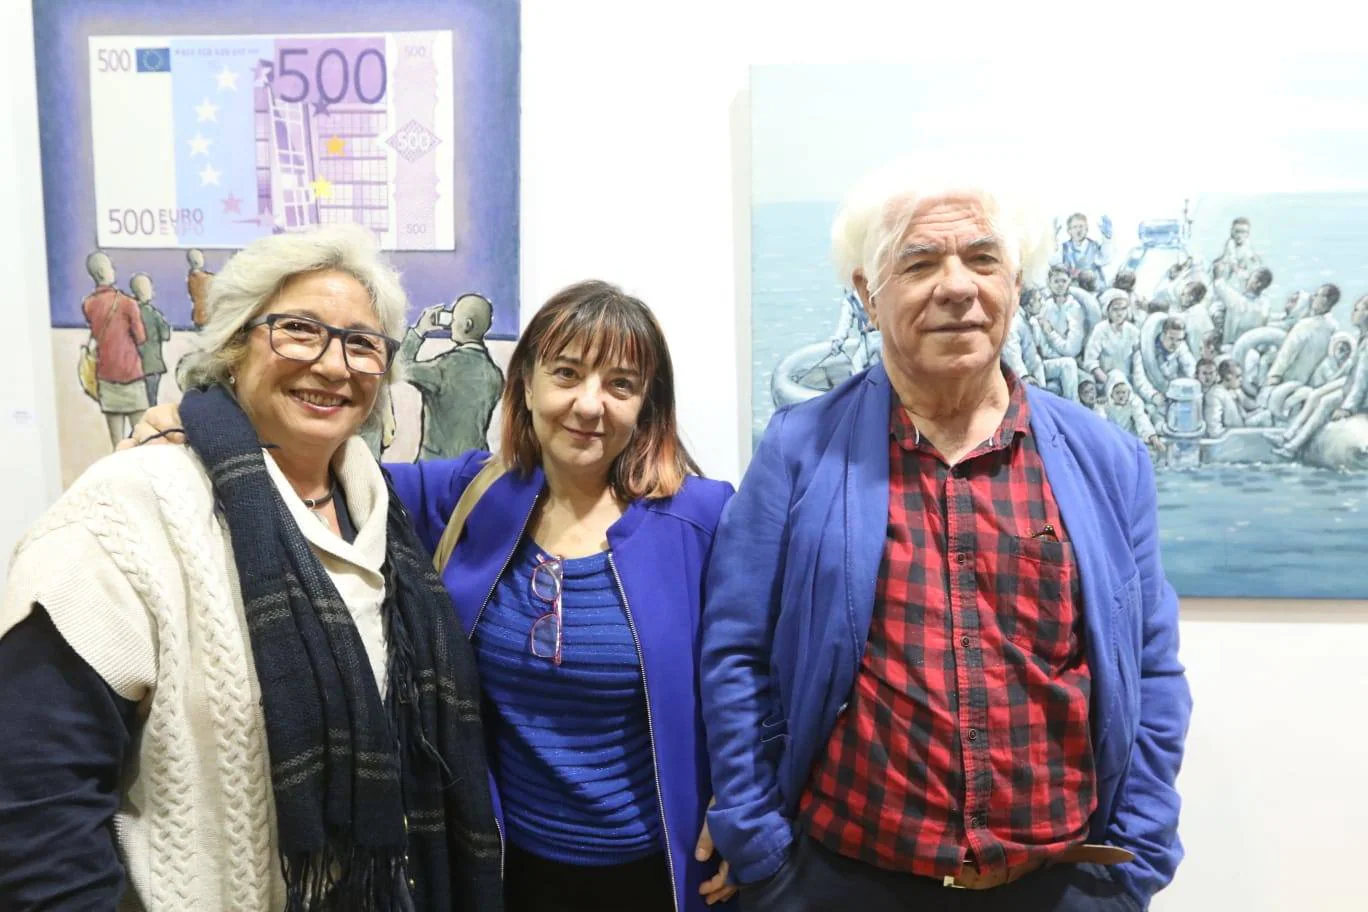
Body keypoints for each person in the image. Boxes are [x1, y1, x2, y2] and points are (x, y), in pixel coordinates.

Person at [123, 280, 740, 912]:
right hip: (503, 865)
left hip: (655, 870)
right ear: (524, 384)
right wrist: (195, 421)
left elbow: (753, 675)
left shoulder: (701, 518)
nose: (590, 405)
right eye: (567, 374)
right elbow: (321, 467)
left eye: (620, 385)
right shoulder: (473, 494)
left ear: (646, 405)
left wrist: (740, 804)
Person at [701, 165, 1191, 912]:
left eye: (983, 258)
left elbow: (1151, 666)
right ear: (868, 294)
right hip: (841, 883)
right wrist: (760, 844)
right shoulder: (798, 452)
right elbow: (737, 652)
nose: (957, 285)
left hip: (1062, 888)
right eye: (920, 262)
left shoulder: (1107, 460)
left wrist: (1136, 857)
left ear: (1016, 282)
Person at [0, 226, 503, 911]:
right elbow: (35, 803)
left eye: (362, 344)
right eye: (299, 330)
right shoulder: (126, 512)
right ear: (234, 344)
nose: (334, 365)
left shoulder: (381, 514)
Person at [401, 293, 506, 459]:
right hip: (476, 467)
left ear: (467, 325)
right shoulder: (495, 375)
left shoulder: (443, 369)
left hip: (435, 468)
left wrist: (419, 330)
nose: (450, 323)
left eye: (454, 317)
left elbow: (400, 367)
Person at [81, 251, 149, 446]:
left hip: (106, 378)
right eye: (111, 266)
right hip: (131, 376)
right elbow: (141, 338)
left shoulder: (88, 304)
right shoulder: (128, 303)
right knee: (142, 440)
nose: (114, 270)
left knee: (117, 443)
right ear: (104, 271)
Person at [131, 272, 173, 406]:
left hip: (134, 366)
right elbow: (166, 335)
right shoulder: (154, 314)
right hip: (152, 365)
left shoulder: (129, 312)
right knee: (151, 401)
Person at [187, 248, 215, 328]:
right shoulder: (206, 278)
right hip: (206, 315)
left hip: (197, 315)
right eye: (202, 257)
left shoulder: (191, 278)